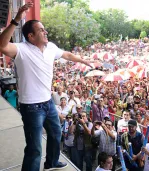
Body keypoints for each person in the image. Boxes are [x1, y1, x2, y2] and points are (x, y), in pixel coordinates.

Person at [0, 3, 93, 171]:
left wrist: (83, 60)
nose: (46, 32)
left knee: (56, 134)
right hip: (31, 106)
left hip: (48, 102)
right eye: (41, 30)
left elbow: (66, 54)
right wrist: (15, 20)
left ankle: (51, 162)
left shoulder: (50, 47)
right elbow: (2, 45)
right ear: (30, 36)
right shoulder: (21, 49)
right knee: (34, 148)